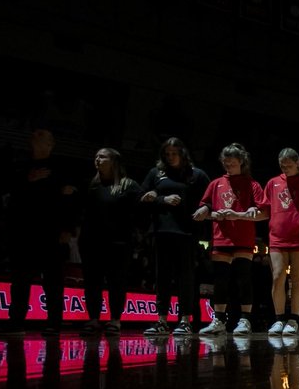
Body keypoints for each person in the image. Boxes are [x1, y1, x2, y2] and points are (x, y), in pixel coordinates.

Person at [4, 129, 78, 335]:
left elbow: (71, 199)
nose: (36, 135)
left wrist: (67, 229)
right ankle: (16, 321)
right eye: (34, 133)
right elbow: (10, 196)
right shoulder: (20, 167)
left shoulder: (61, 168)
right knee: (20, 279)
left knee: (53, 281)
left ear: (50, 144)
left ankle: (54, 323)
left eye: (42, 135)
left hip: (51, 232)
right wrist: (29, 180)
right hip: (24, 232)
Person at [193, 143, 267, 335]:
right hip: (221, 237)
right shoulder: (216, 183)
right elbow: (206, 205)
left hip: (243, 238)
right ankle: (218, 320)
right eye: (226, 164)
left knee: (243, 278)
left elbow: (264, 212)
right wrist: (204, 210)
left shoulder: (252, 184)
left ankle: (245, 320)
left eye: (232, 164)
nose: (229, 167)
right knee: (221, 280)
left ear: (242, 162)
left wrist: (245, 213)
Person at [140, 137, 211, 336]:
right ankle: (161, 320)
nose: (171, 157)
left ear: (183, 153)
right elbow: (141, 196)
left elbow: (211, 198)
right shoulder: (156, 174)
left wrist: (205, 208)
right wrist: (161, 198)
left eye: (174, 153)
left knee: (185, 278)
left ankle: (185, 320)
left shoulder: (196, 174)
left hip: (186, 233)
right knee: (162, 277)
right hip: (162, 232)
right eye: (167, 154)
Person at [78, 148, 141, 335]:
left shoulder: (128, 185)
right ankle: (93, 319)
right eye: (96, 156)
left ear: (114, 162)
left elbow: (141, 208)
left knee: (117, 282)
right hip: (91, 242)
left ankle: (115, 320)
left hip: (118, 244)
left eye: (102, 157)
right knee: (92, 282)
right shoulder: (91, 185)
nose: (97, 159)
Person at [262, 148, 299, 336]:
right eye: (282, 165)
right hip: (277, 236)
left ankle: (293, 319)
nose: (285, 168)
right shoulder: (273, 183)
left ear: (297, 162)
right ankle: (278, 319)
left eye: (289, 165)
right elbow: (264, 209)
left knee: (297, 277)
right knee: (278, 276)